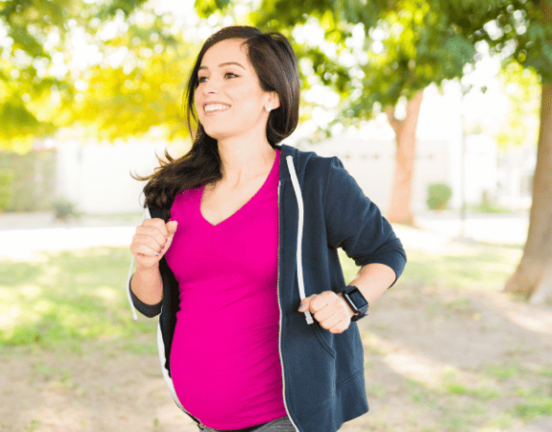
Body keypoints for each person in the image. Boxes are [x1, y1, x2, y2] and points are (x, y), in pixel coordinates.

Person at [126, 26, 406, 432]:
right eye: (203, 78)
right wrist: (145, 265)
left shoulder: (313, 180)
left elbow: (386, 252)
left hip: (284, 418)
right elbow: (149, 305)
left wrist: (348, 303)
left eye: (230, 74)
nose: (209, 88)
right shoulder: (173, 193)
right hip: (204, 421)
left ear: (271, 96)